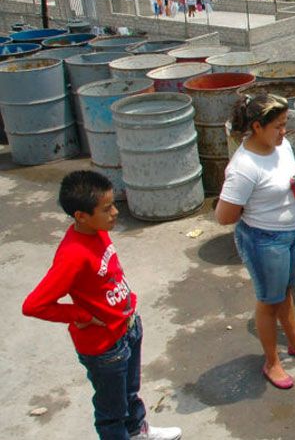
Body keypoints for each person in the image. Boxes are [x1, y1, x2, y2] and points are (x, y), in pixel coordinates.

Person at [22, 171, 182, 440]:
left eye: (113, 205)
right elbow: (34, 305)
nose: (115, 213)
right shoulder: (72, 254)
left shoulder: (98, 230)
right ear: (81, 216)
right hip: (105, 347)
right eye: (106, 208)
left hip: (128, 328)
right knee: (112, 413)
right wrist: (79, 314)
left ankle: (138, 431)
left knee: (130, 394)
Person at [215, 93, 295, 390]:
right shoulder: (244, 167)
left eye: (285, 124)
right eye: (278, 126)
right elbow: (224, 216)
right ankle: (271, 361)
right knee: (268, 301)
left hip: (292, 232)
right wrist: (257, 206)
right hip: (264, 240)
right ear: (257, 127)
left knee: (284, 290)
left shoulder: (281, 146)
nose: (284, 132)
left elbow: (289, 176)